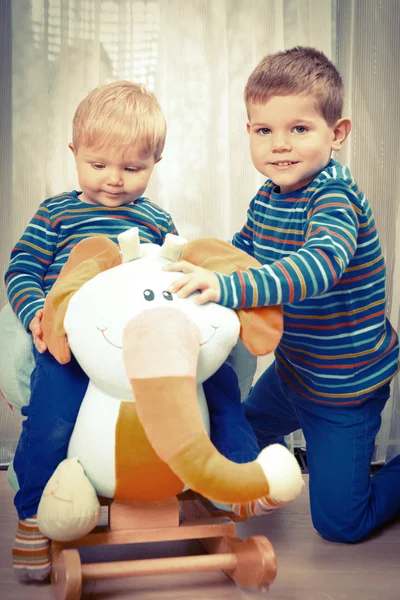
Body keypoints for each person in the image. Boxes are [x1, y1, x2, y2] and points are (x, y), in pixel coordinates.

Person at [4, 80, 262, 581]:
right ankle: (34, 513)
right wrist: (37, 311)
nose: (115, 181)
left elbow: (168, 272)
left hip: (145, 337)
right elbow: (21, 268)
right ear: (75, 153)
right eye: (98, 165)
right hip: (76, 341)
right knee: (53, 412)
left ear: (155, 163)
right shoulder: (56, 213)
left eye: (133, 168)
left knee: (219, 381)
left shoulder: (155, 218)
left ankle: (236, 475)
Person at [165, 46, 400, 543]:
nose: (280, 145)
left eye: (299, 129)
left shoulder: (334, 197)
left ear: (336, 134)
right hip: (293, 372)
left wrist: (229, 287)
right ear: (248, 133)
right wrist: (188, 267)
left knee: (341, 525)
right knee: (231, 443)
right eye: (264, 130)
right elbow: (240, 253)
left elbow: (318, 267)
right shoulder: (269, 196)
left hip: (344, 386)